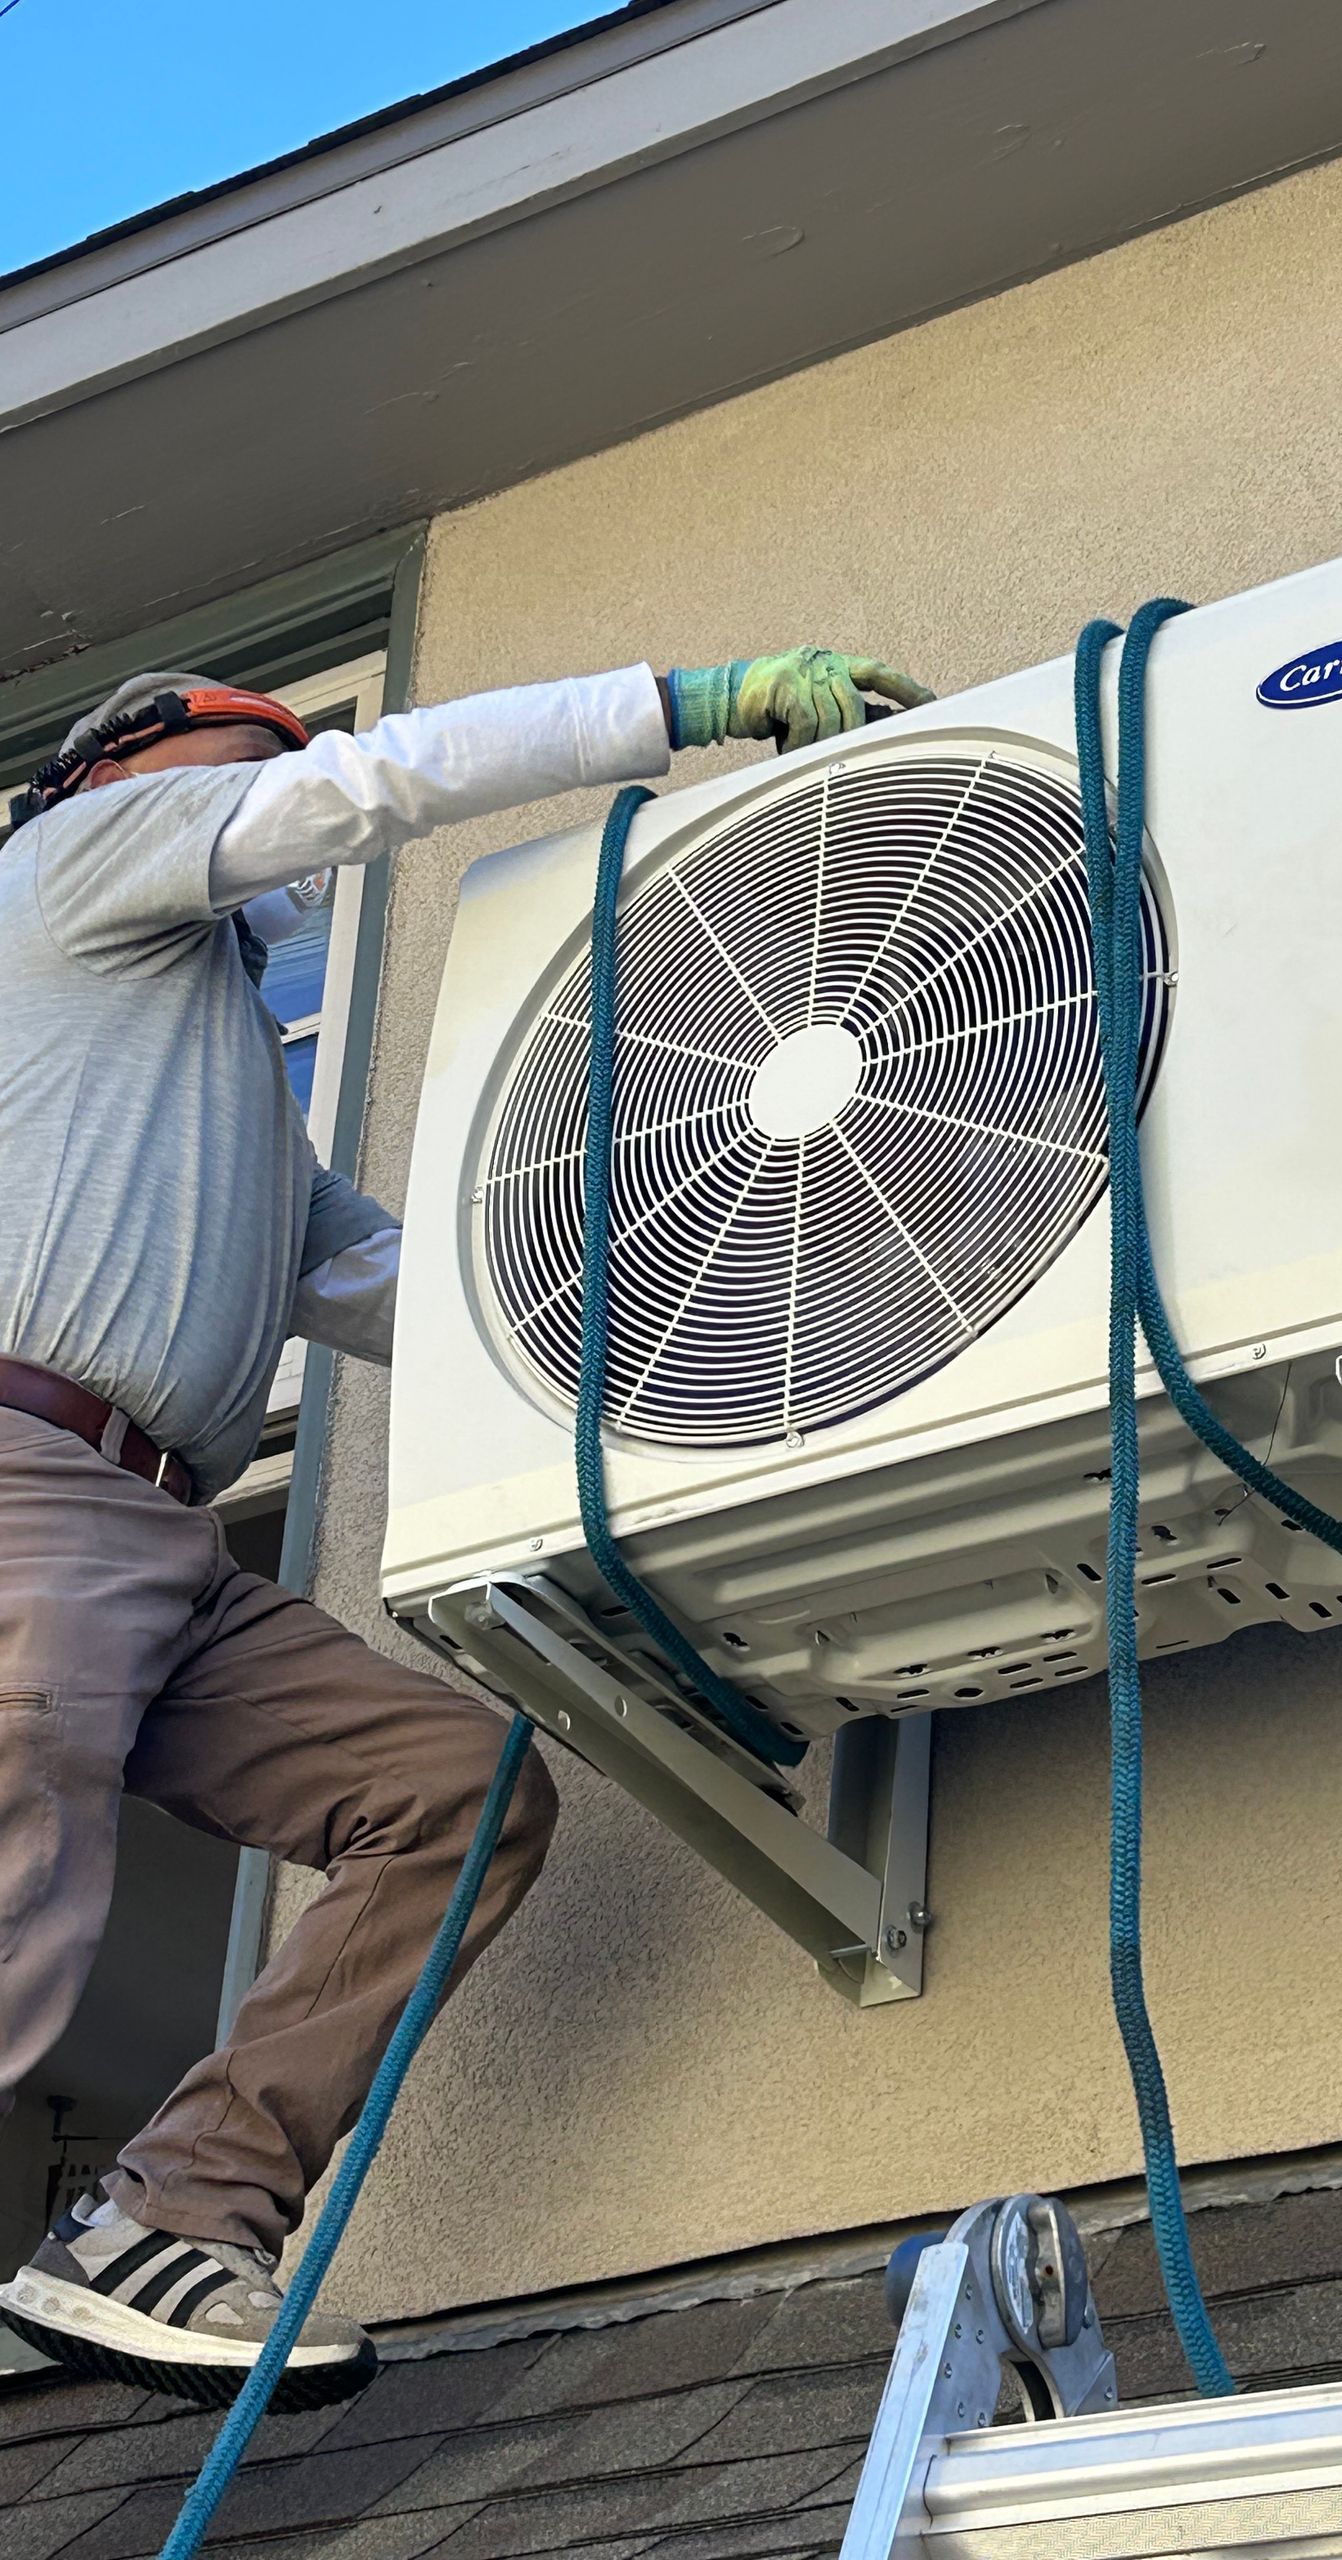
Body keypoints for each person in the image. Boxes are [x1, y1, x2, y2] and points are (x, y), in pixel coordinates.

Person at [0, 646, 933, 2408]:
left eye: (269, 763)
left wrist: (764, 1318)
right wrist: (683, 704)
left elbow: (405, 1284)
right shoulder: (62, 866)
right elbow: (372, 784)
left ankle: (171, 2212)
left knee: (456, 1791)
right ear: (111, 772)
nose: (259, 799)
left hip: (160, 1551)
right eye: (232, 759)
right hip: (26, 1485)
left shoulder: (209, 1093)